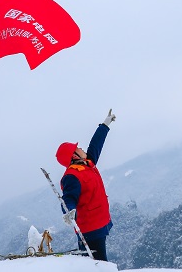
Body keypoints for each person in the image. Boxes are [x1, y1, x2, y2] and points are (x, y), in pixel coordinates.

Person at [55, 109, 116, 261]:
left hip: (100, 224)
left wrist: (105, 125)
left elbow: (96, 145)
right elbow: (68, 198)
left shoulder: (87, 163)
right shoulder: (72, 176)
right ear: (74, 156)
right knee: (98, 265)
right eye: (78, 148)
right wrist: (68, 211)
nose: (81, 148)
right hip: (90, 230)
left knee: (96, 263)